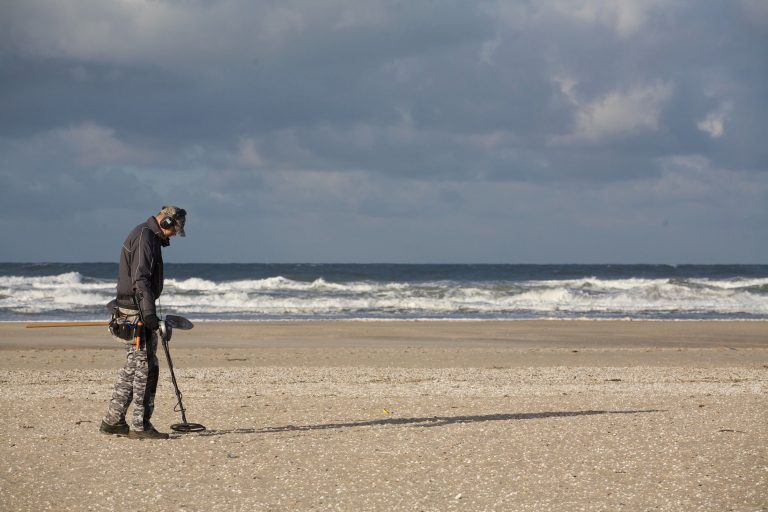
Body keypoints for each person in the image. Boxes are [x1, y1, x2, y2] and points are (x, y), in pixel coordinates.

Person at [100, 205, 187, 440]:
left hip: (131, 310)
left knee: (134, 366)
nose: (173, 236)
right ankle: (140, 425)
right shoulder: (145, 237)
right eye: (174, 230)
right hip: (135, 313)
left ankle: (113, 420)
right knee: (146, 368)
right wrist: (148, 315)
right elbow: (141, 279)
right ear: (166, 222)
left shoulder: (146, 235)